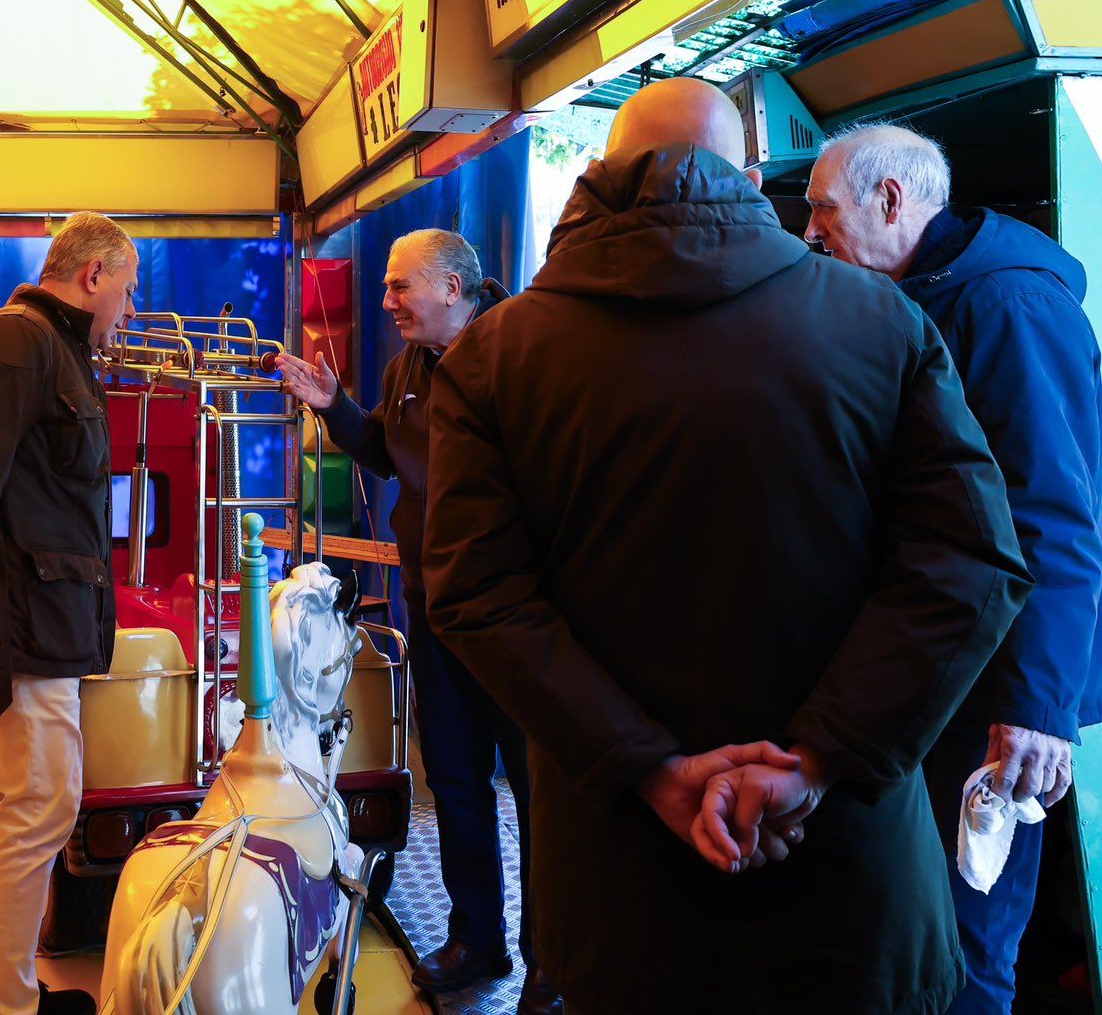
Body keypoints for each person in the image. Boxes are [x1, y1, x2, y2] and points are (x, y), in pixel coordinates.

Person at [420, 78, 1030, 1014]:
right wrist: (817, 760)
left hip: (622, 893)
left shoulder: (495, 358)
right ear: (748, 177)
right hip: (851, 891)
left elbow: (478, 594)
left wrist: (652, 770)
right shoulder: (883, 324)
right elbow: (972, 563)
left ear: (598, 175)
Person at [807, 122, 1102, 1015]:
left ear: (889, 202)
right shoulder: (923, 298)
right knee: (925, 929)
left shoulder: (1005, 306)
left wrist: (1034, 708)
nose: (810, 234)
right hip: (943, 674)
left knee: (967, 943)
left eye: (822, 212)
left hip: (996, 695)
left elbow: (1054, 516)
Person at [275, 231, 555, 1012]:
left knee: (538, 795)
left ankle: (552, 961)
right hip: (437, 615)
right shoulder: (405, 370)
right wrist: (337, 409)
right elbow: (391, 454)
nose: (389, 300)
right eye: (389, 286)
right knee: (457, 780)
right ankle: (477, 939)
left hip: (516, 618)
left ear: (455, 289)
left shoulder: (523, 356)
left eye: (402, 287)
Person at [0, 212, 139, 1015]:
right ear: (92, 275)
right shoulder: (22, 343)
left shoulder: (44, 346)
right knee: (41, 806)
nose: (129, 306)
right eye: (126, 287)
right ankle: (6, 1004)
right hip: (23, 636)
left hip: (22, 627)